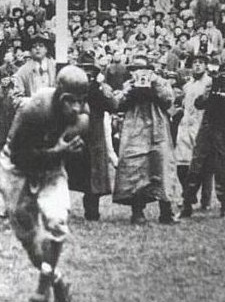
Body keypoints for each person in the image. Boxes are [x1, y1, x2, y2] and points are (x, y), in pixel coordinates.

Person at [0, 65, 89, 302]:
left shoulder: (80, 115)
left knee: (58, 221)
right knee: (29, 238)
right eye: (71, 101)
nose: (77, 108)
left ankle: (45, 280)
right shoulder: (35, 109)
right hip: (17, 168)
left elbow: (81, 124)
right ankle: (57, 279)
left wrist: (64, 149)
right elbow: (19, 155)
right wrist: (57, 151)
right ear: (60, 96)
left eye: (81, 101)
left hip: (50, 169)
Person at [178, 56, 225, 219]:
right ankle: (187, 205)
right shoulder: (212, 85)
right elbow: (199, 104)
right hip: (207, 130)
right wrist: (212, 92)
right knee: (195, 168)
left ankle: (224, 207)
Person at [113, 56, 180, 225]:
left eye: (143, 69)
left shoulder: (161, 82)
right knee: (135, 170)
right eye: (135, 69)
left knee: (162, 168)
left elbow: (168, 100)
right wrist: (132, 92)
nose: (139, 72)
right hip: (135, 131)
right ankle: (137, 212)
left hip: (158, 131)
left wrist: (154, 85)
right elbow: (117, 103)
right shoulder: (128, 85)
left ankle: (166, 212)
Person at [66, 62, 118, 221]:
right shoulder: (71, 90)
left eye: (90, 73)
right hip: (76, 134)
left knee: (94, 178)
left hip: (95, 137)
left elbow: (113, 106)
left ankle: (92, 211)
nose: (87, 76)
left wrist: (99, 89)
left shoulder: (100, 89)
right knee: (71, 174)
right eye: (84, 72)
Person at [175, 55, 213, 211]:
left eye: (201, 63)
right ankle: (188, 195)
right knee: (182, 163)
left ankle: (206, 199)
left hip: (202, 125)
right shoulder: (187, 85)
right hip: (185, 126)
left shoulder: (210, 82)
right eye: (195, 63)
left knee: (203, 164)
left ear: (206, 66)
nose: (197, 66)